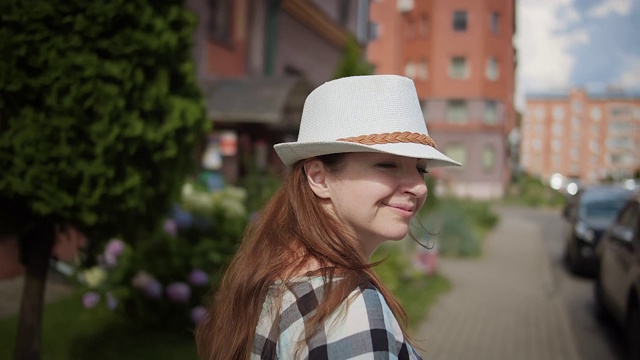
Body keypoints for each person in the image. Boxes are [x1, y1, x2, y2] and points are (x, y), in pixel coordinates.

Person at [195, 75, 460, 360]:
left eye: (421, 170)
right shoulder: (349, 309)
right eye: (388, 165)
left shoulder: (274, 271)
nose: (418, 186)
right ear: (319, 178)